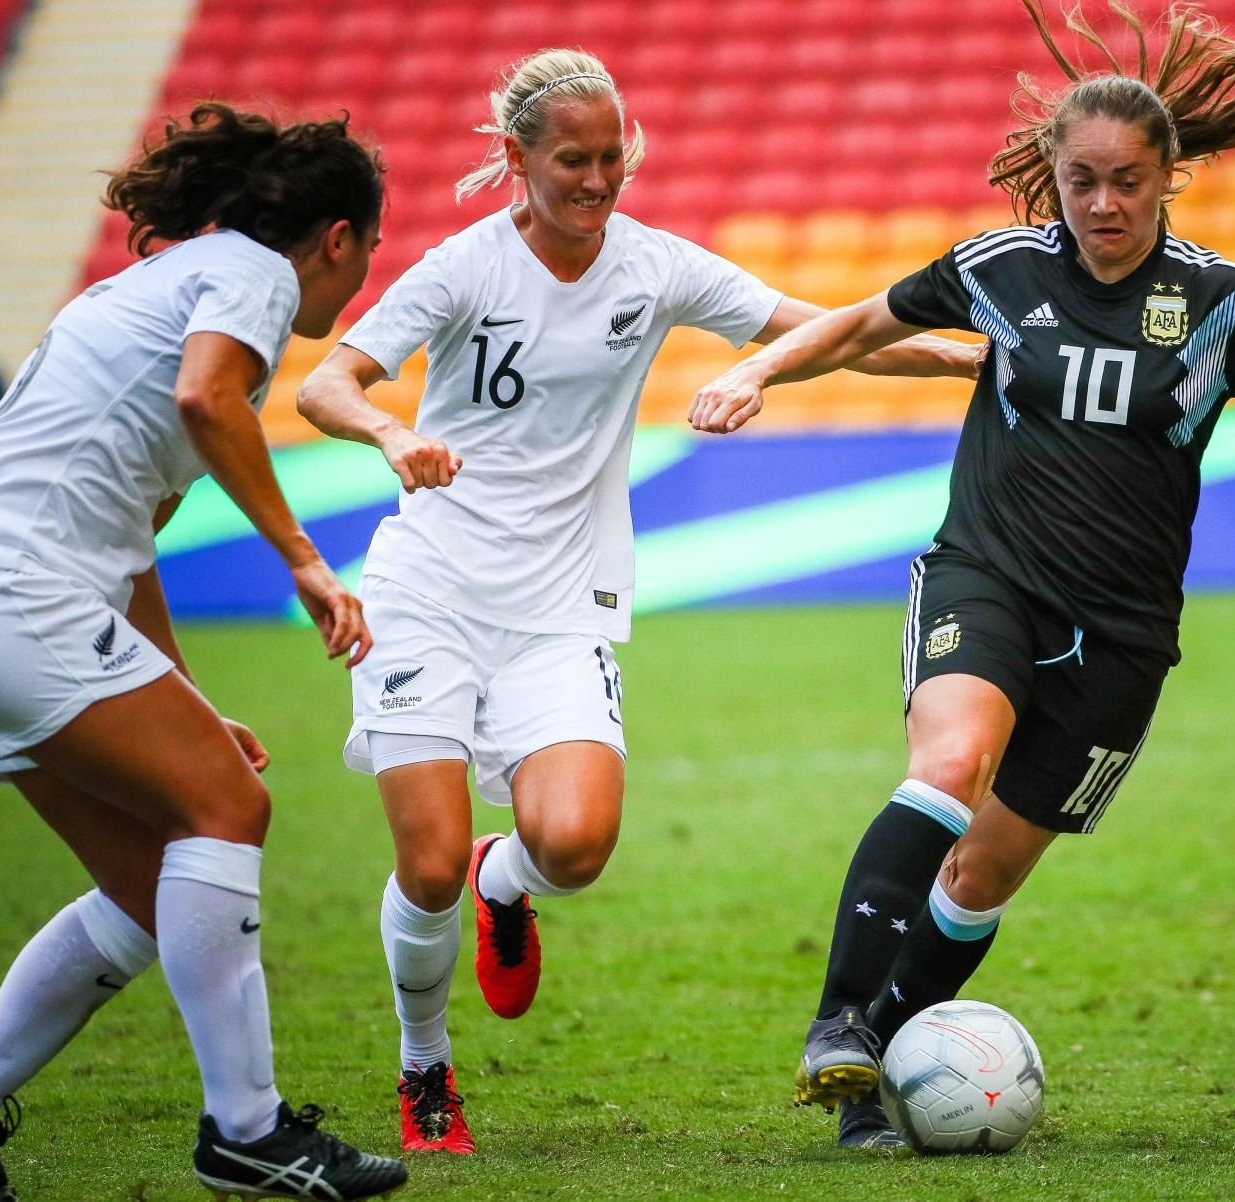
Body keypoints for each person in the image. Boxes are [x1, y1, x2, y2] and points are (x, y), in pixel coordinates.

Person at [689, 0, 1235, 1150]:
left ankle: (879, 1061)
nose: (1104, 205)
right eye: (1082, 180)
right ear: (1053, 177)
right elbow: (857, 322)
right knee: (949, 762)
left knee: (983, 873)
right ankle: (839, 1028)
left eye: (1128, 181)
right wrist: (764, 370)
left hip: (1123, 634)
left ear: (1168, 177)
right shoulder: (1001, 267)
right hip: (991, 576)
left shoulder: (1226, 302)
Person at [294, 47, 982, 1156]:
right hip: (430, 591)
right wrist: (391, 431)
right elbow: (327, 379)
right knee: (418, 864)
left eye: (615, 156)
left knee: (574, 842)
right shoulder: (464, 268)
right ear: (519, 158)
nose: (599, 177)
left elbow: (809, 329)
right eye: (574, 157)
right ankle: (427, 1069)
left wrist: (958, 357)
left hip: (563, 606)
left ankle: (500, 875)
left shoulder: (654, 267)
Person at [0, 103, 409, 1200]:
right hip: (15, 588)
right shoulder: (252, 278)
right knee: (228, 812)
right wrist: (306, 560)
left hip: (13, 599)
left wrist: (179, 697)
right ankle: (249, 1131)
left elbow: (133, 552)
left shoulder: (156, 286)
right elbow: (204, 397)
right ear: (340, 240)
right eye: (363, 258)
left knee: (141, 882)